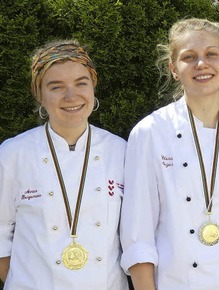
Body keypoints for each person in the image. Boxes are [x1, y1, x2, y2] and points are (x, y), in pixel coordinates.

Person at [119, 18, 219, 290]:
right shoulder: (150, 133)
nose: (201, 64)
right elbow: (139, 238)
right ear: (174, 69)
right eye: (189, 57)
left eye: (211, 54)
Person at [0, 40, 128, 289]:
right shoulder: (12, 153)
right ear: (39, 95)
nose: (72, 96)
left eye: (81, 83)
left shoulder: (120, 151)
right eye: (56, 87)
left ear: (93, 88)